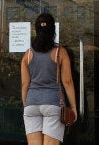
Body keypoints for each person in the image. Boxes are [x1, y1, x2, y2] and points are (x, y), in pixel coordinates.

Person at [21, 13, 77, 145]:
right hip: (52, 103)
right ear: (53, 30)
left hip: (31, 104)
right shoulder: (60, 52)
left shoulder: (27, 54)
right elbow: (67, 81)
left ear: (36, 30)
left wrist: (26, 104)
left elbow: (24, 84)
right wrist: (73, 107)